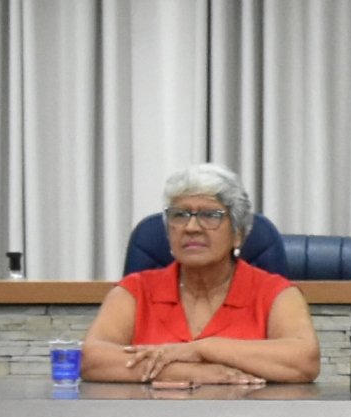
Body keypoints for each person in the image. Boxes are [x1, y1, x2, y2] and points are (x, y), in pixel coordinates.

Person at [80, 162, 320, 386]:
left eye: (210, 215)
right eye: (180, 215)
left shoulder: (274, 293)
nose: (191, 227)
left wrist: (202, 349)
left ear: (238, 234)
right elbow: (91, 359)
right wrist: (188, 372)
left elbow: (304, 362)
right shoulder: (135, 290)